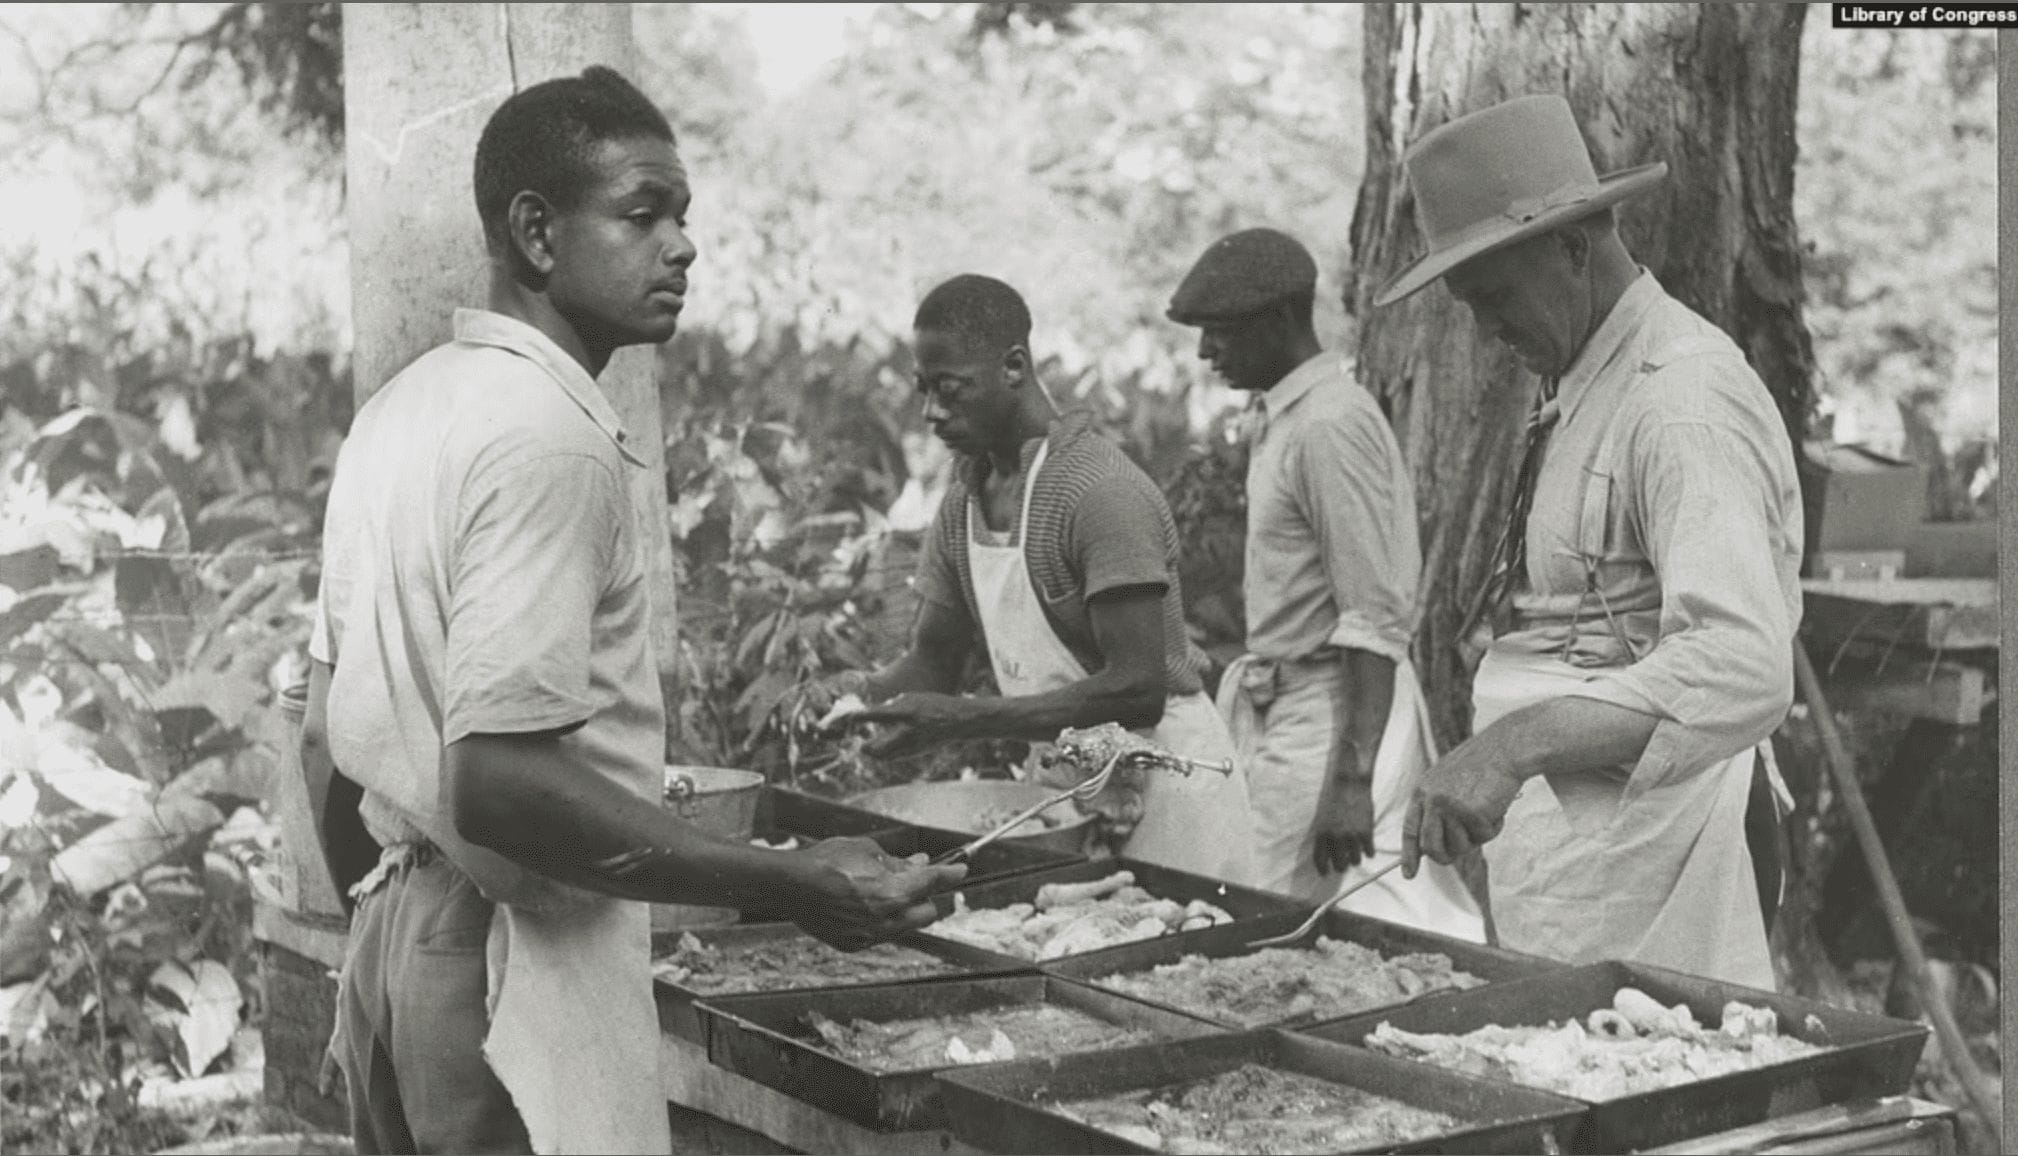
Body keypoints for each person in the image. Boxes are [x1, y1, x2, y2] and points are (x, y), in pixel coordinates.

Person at [302, 66, 963, 1155]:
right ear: (537, 233)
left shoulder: (402, 409)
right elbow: (500, 780)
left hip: (398, 928)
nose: (683, 245)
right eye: (642, 212)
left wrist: (393, 937)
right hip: (503, 965)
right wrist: (788, 882)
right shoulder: (545, 437)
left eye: (683, 216)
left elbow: (327, 730)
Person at [1377, 94, 1798, 991]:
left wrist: (1511, 746)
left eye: (1493, 300)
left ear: (1572, 248)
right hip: (1591, 860)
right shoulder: (1586, 372)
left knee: (1664, 1108)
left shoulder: (1680, 400)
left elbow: (1744, 663)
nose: (1486, 334)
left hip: (1672, 860)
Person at [810, 274, 1258, 886]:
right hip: (1067, 789)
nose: (931, 412)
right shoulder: (965, 500)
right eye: (923, 389)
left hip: (1169, 788)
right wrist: (861, 696)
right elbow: (934, 660)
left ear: (1014, 366)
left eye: (951, 389)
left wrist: (965, 719)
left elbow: (1136, 690)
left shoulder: (1099, 492)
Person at [1164, 229, 1484, 940]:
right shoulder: (1288, 417)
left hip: (1336, 711)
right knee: (1283, 914)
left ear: (1277, 322)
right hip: (1286, 701)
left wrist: (1352, 779)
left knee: (1258, 922)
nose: (1206, 354)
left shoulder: (1332, 426)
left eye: (1219, 334)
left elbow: (1373, 614)